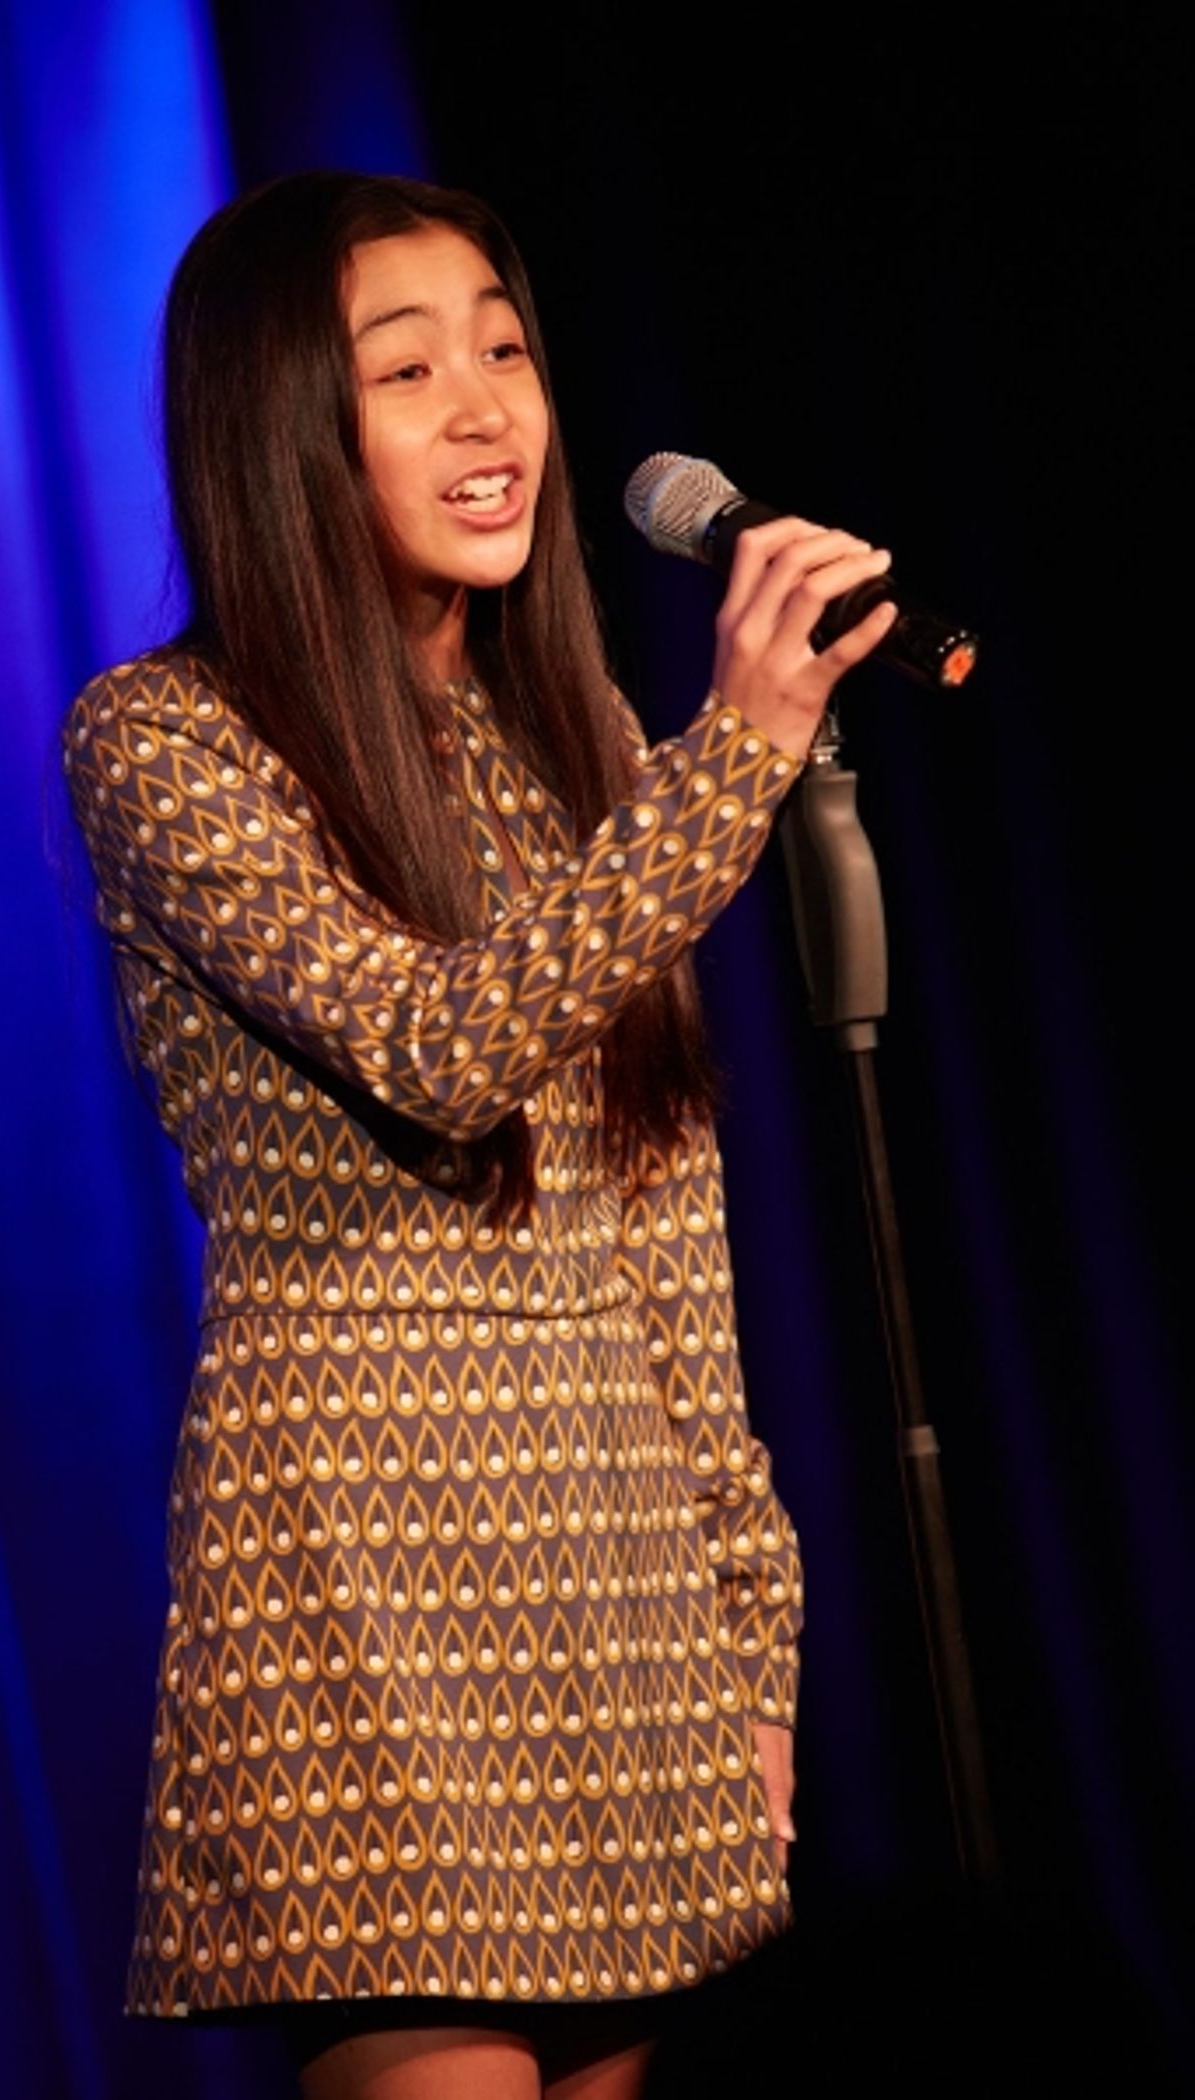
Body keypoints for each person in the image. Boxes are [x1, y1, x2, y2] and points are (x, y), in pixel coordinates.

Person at [62, 169, 896, 2100]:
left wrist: (749, 1657)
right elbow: (437, 1051)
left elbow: (667, 1226)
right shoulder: (166, 742)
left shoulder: (585, 747)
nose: (484, 409)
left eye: (504, 353)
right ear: (282, 425)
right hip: (359, 1568)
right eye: (407, 366)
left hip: (618, 1584)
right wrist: (736, 760)